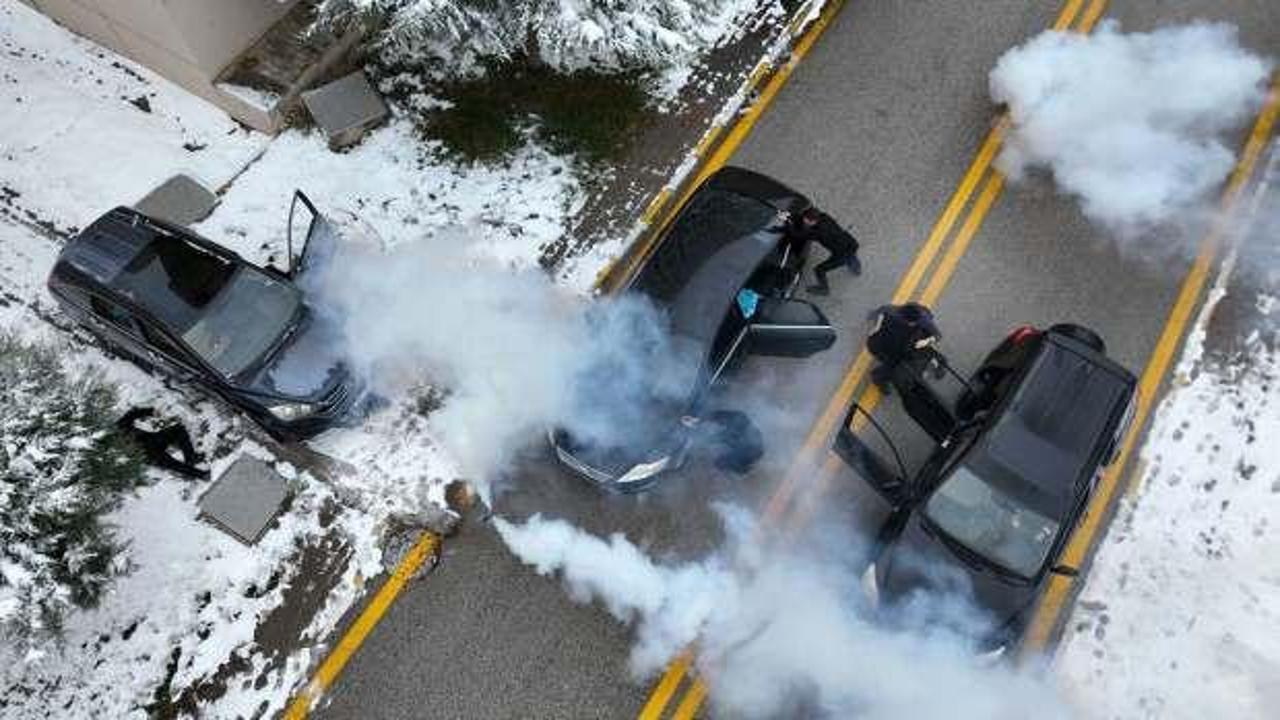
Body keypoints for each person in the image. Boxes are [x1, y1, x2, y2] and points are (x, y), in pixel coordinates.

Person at [786, 207, 861, 296]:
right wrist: (789, 216)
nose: (804, 222)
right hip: (850, 242)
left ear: (812, 221)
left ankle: (824, 289)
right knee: (852, 257)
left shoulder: (819, 232)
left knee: (819, 269)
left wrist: (788, 223)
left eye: (805, 220)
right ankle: (856, 270)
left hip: (841, 254)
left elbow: (798, 235)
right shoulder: (824, 217)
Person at [866, 303, 942, 391]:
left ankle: (939, 362)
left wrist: (926, 341)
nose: (911, 324)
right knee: (894, 364)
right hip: (881, 346)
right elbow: (882, 311)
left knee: (923, 348)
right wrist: (877, 327)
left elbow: (938, 335)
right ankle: (878, 378)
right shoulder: (893, 314)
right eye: (910, 323)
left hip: (886, 342)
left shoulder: (923, 320)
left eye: (912, 323)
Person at [115, 407, 207, 479]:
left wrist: (150, 411)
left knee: (178, 429)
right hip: (148, 454)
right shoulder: (109, 444)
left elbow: (132, 414)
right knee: (173, 464)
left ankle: (191, 458)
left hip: (153, 440)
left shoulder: (119, 425)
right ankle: (201, 475)